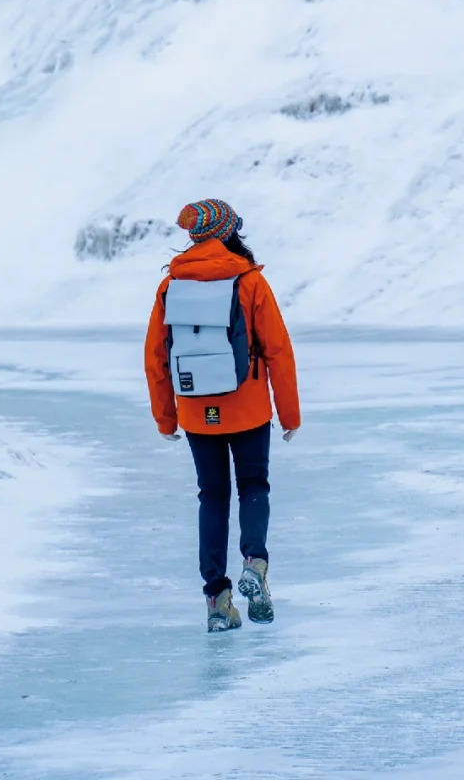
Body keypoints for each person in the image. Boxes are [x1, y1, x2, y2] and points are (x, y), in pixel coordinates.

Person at [144, 199, 301, 632]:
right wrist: (289, 415)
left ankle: (217, 600)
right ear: (230, 232)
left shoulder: (172, 284)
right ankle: (255, 563)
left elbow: (156, 356)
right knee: (253, 485)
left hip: (197, 410)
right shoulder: (248, 281)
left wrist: (166, 418)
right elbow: (278, 351)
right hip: (248, 407)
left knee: (211, 496)